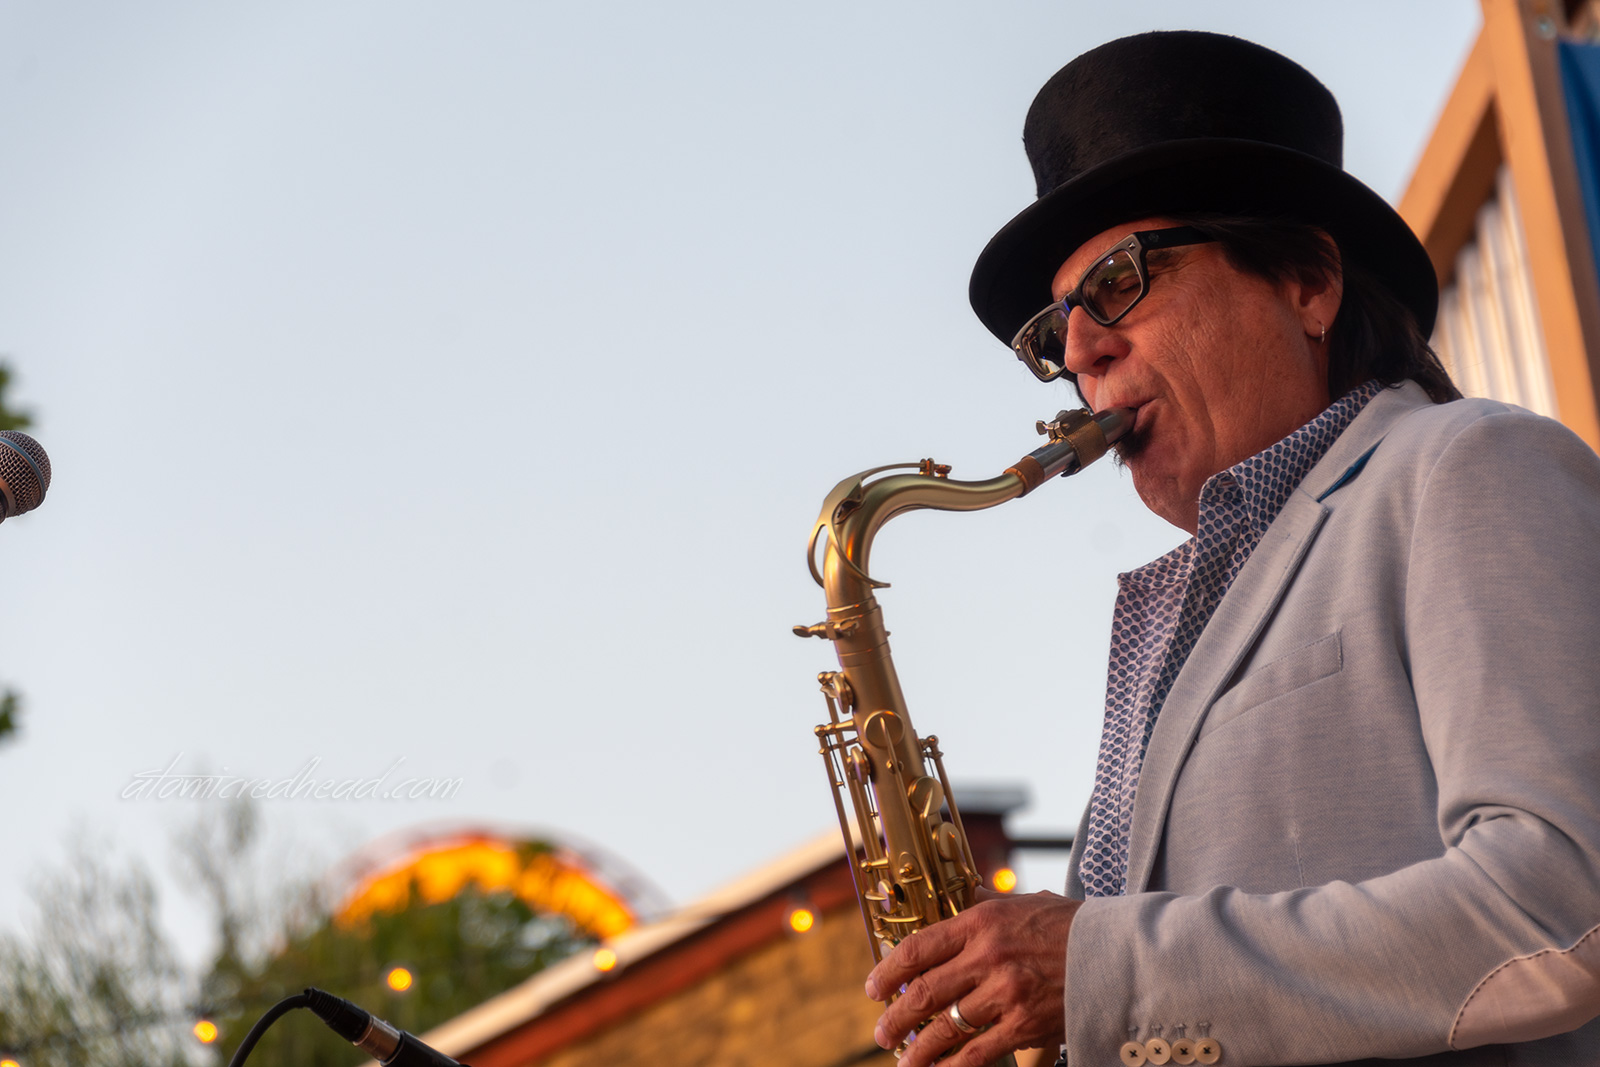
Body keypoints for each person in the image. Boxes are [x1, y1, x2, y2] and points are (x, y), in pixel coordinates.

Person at [864, 30, 1600, 1067]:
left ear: (1307, 282)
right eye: (1055, 327)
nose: (1078, 353)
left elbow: (1567, 898)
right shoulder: (1177, 626)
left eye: (1120, 279)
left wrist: (1100, 966)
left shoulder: (1467, 464)